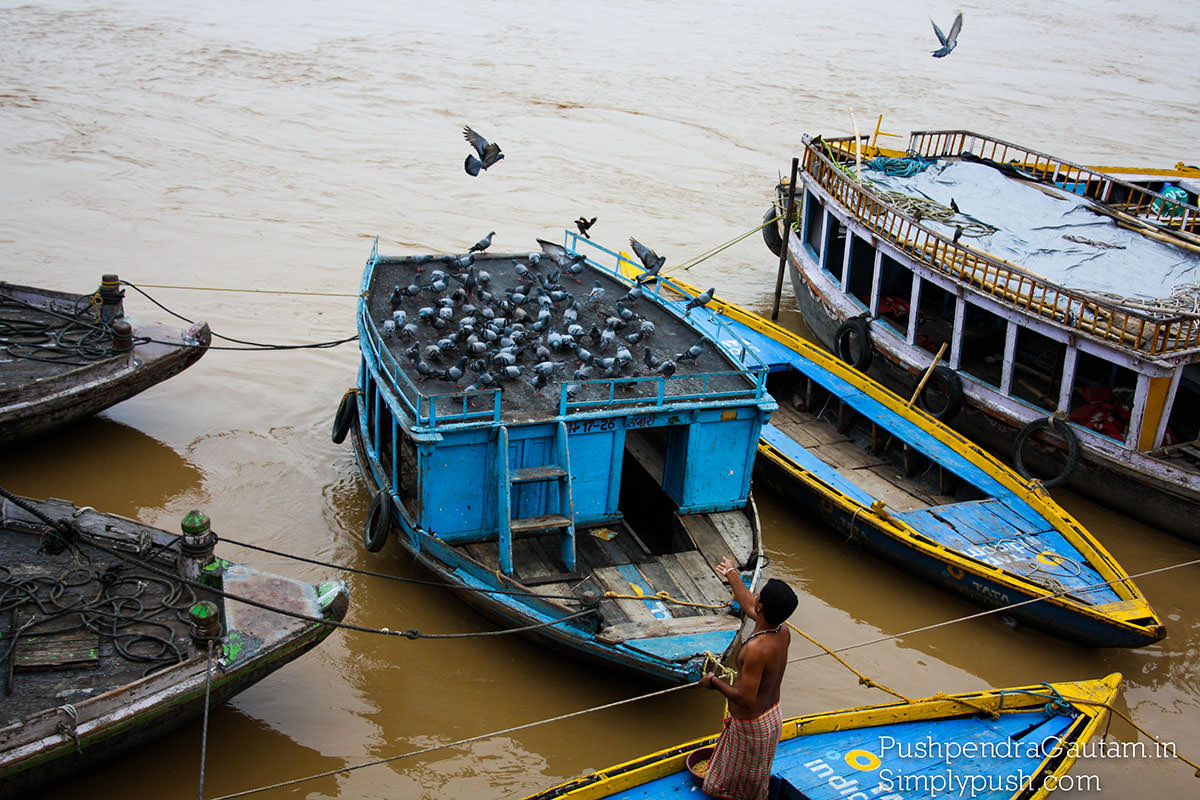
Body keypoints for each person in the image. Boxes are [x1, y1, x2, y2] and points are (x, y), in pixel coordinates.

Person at [698, 557, 798, 800]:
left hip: (752, 726)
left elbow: (745, 698)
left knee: (737, 788)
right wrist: (731, 573)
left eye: (759, 596)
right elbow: (747, 603)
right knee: (752, 781)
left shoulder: (755, 650)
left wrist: (714, 682)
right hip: (772, 715)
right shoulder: (781, 629)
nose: (755, 599)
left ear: (761, 606)